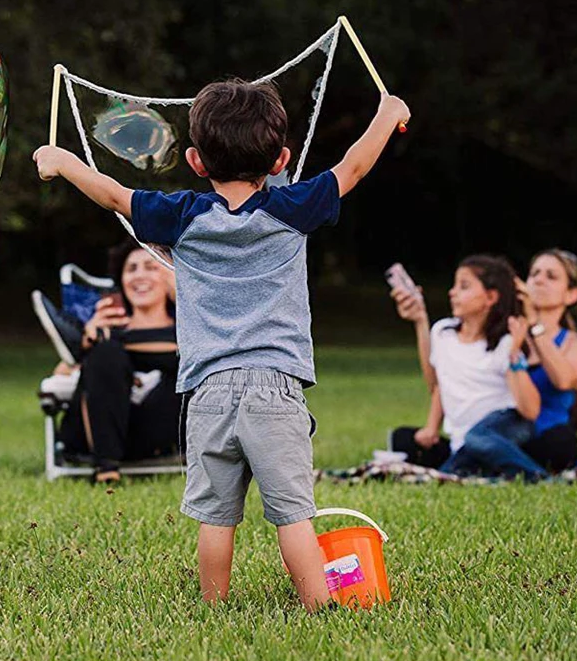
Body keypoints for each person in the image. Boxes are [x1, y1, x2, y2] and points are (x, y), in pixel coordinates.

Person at [35, 79, 410, 611]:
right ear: (281, 158)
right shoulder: (292, 208)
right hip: (275, 390)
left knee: (215, 516)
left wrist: (63, 161)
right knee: (293, 513)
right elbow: (353, 168)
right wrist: (386, 114)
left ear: (195, 161)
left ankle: (213, 607)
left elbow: (115, 195)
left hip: (206, 392)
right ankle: (317, 604)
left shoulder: (182, 216)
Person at [390, 249, 577, 477]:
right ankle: (479, 463)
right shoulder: (502, 333)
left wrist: (533, 327)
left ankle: (474, 466)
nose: (538, 280)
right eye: (534, 273)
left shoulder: (575, 342)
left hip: (538, 436)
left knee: (559, 444)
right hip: (486, 432)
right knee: (406, 439)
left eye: (551, 276)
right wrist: (421, 322)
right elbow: (443, 383)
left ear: (572, 295)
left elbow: (564, 380)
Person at [38, 241, 182, 484]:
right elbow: (57, 380)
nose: (140, 275)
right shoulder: (102, 329)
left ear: (170, 275)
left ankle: (119, 345)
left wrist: (182, 298)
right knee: (106, 354)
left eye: (150, 266)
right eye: (132, 269)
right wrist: (88, 342)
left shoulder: (191, 330)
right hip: (93, 432)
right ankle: (107, 469)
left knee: (189, 361)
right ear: (122, 282)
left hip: (158, 431)